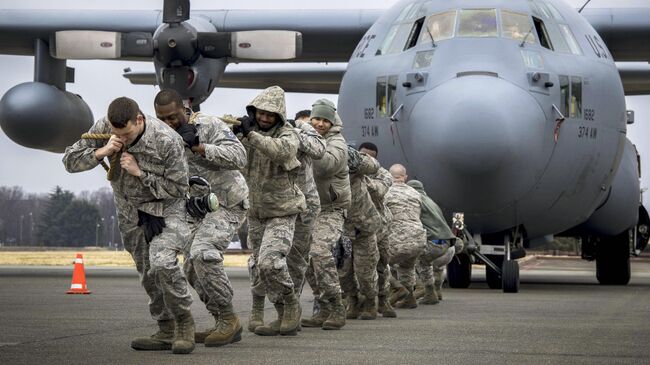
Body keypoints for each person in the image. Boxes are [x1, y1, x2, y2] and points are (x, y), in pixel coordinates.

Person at [62, 97, 195, 354]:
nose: (121, 138)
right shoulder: (106, 127)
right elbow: (69, 161)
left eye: (126, 133)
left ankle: (184, 324)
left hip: (166, 210)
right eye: (116, 133)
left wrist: (140, 173)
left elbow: (179, 188)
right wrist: (102, 152)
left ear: (139, 120)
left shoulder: (166, 140)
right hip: (130, 213)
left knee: (163, 263)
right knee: (147, 271)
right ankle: (166, 328)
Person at [153, 90, 249, 346]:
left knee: (202, 253)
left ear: (184, 109)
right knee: (191, 268)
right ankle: (222, 320)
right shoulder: (161, 138)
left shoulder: (207, 124)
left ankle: (229, 319)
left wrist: (200, 147)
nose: (169, 123)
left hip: (228, 202)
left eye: (173, 117)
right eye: (162, 119)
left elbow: (240, 156)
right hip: (196, 208)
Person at [234, 86, 306, 336]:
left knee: (270, 262)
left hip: (283, 210)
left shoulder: (288, 134)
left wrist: (251, 135)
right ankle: (280, 314)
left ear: (279, 117)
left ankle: (291, 304)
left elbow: (282, 151)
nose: (264, 119)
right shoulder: (246, 133)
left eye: (270, 115)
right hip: (256, 212)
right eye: (260, 113)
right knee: (259, 266)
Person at [254, 108, 326, 336]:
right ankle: (278, 310)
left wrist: (298, 131)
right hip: (273, 202)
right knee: (263, 259)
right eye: (314, 119)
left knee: (296, 259)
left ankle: (288, 315)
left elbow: (318, 150)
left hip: (304, 203)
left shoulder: (300, 131)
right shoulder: (268, 131)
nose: (316, 123)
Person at [301, 102, 351, 330]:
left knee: (320, 252)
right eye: (316, 120)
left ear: (332, 123)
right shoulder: (304, 135)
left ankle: (337, 306)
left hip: (332, 208)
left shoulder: (337, 142)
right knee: (305, 259)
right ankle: (323, 307)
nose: (320, 124)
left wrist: (308, 136)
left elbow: (325, 166)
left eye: (325, 121)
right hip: (308, 208)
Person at [340, 147, 381, 320]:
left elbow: (373, 166)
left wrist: (353, 157)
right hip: (340, 227)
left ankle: (371, 301)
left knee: (364, 271)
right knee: (343, 271)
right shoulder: (322, 164)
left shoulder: (353, 163)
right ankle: (353, 301)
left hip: (363, 225)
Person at [407, 179, 463, 304]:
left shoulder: (415, 201)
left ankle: (421, 287)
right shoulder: (431, 202)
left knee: (407, 257)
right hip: (448, 247)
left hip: (433, 244)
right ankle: (436, 292)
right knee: (435, 266)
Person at [358, 142, 395, 318]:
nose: (366, 159)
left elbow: (378, 192)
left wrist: (360, 177)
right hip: (357, 226)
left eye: (370, 156)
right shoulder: (349, 172)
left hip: (380, 226)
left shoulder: (383, 174)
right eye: (363, 155)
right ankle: (362, 302)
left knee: (381, 264)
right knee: (356, 267)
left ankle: (383, 299)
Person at [384, 164, 426, 309]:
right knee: (407, 267)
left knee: (378, 264)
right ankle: (410, 299)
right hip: (418, 238)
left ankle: (397, 288)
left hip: (398, 238)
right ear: (405, 177)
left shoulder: (386, 192)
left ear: (389, 176)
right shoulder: (415, 193)